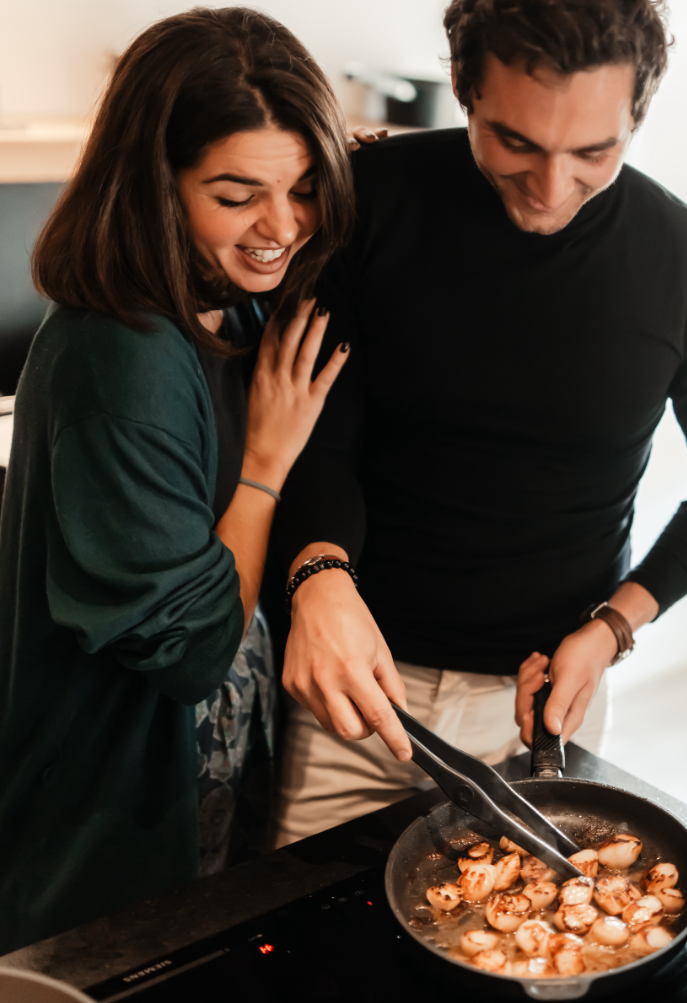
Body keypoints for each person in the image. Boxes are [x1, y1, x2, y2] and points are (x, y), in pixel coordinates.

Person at [269, 0, 687, 846]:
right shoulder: (372, 200)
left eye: (594, 152)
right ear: (463, 89)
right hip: (348, 688)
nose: (548, 189)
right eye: (515, 143)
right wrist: (317, 576)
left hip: (541, 714)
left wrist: (614, 626)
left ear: (636, 113)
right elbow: (314, 425)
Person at [0, 6, 358, 954]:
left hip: (211, 771)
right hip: (109, 809)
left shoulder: (222, 306)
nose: (281, 227)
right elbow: (196, 648)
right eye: (236, 195)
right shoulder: (122, 356)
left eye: (306, 187)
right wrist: (267, 465)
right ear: (154, 186)